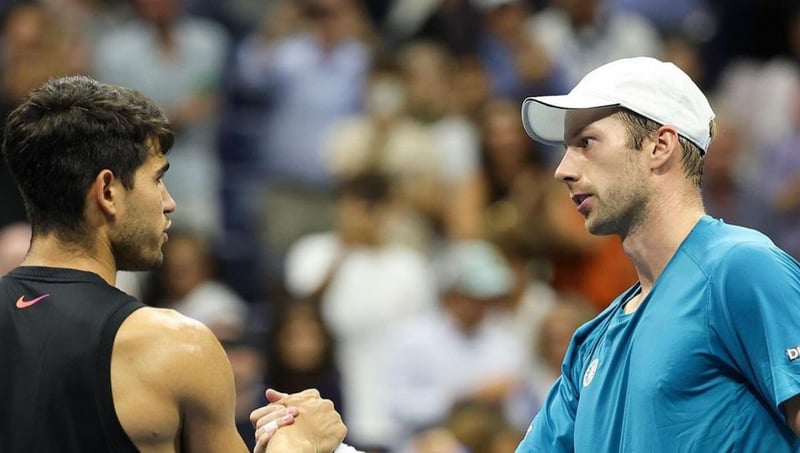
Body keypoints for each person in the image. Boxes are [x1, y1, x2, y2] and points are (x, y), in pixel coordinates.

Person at [0, 75, 345, 452]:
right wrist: (298, 442)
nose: (169, 202)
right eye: (157, 179)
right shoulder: (178, 347)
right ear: (108, 192)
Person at [514, 56, 800, 451]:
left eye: (586, 143)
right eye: (567, 148)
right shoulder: (591, 342)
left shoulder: (741, 268)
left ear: (660, 146)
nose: (563, 169)